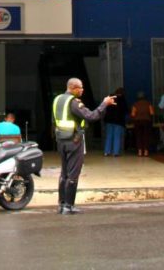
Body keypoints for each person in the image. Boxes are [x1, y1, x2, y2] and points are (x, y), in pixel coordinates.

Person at [53, 78, 116, 215]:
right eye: (80, 88)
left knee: (64, 173)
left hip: (61, 140)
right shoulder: (74, 102)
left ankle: (61, 204)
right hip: (74, 140)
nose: (82, 90)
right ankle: (68, 206)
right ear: (74, 88)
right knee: (73, 174)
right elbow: (92, 116)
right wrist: (104, 104)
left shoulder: (57, 99)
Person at [103, 87, 127, 157]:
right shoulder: (122, 100)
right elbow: (125, 110)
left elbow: (104, 107)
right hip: (118, 121)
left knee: (109, 136)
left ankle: (106, 152)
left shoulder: (111, 98)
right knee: (117, 136)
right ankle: (116, 153)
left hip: (109, 120)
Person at [130, 91, 154, 157]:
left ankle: (140, 152)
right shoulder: (148, 103)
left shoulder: (135, 104)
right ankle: (146, 151)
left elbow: (133, 114)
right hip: (147, 121)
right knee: (146, 136)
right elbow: (152, 113)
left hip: (137, 121)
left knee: (138, 136)